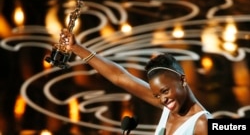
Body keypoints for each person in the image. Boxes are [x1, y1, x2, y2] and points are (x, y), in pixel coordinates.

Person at [60, 28, 212, 135]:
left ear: (182, 80)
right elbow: (120, 77)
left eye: (165, 91)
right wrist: (76, 48)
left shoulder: (203, 123)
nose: (162, 99)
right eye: (157, 95)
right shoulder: (169, 106)